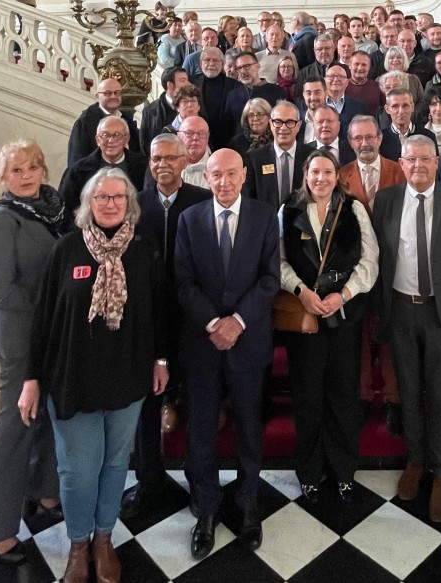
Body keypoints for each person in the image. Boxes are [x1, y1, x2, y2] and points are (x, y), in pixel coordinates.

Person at [20, 167, 168, 581]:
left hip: (128, 376)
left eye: (118, 197)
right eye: (101, 197)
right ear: (88, 203)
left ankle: (104, 539)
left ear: (129, 203)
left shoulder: (142, 249)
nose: (110, 204)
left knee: (116, 463)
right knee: (78, 470)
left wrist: (160, 360)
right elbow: (43, 318)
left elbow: (158, 311)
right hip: (73, 379)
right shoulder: (66, 249)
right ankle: (78, 543)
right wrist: (31, 379)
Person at [174, 149, 281, 559]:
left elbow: (270, 279)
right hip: (202, 344)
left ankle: (248, 503)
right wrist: (213, 324)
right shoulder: (190, 219)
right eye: (216, 174)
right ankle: (206, 508)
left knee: (249, 428)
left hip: (248, 340)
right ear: (206, 177)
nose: (224, 182)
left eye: (231, 174)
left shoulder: (264, 216)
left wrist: (237, 321)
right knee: (201, 430)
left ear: (244, 176)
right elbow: (183, 282)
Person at [371, 135, 441, 522]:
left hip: (440, 315)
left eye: (425, 159)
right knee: (409, 392)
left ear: (437, 162)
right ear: (402, 163)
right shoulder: (385, 201)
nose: (418, 165)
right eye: (411, 159)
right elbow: (377, 260)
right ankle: (416, 460)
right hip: (400, 311)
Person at [0, 140, 66, 566]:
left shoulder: (53, 210)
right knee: (15, 426)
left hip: (52, 334)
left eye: (33, 167)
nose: (27, 176)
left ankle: (44, 492)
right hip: (21, 337)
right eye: (16, 170)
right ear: (2, 177)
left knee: (48, 417)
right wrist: (49, 314)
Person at [280, 149, 379, 502]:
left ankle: (343, 469)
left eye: (327, 172)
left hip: (343, 317)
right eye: (315, 172)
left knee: (342, 394)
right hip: (305, 317)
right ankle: (309, 471)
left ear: (337, 176)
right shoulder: (289, 211)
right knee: (307, 396)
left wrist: (345, 294)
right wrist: (301, 291)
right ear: (305, 176)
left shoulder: (353, 210)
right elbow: (278, 260)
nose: (320, 178)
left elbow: (370, 261)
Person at [121, 134, 212, 520]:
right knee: (147, 404)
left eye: (170, 158)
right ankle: (149, 482)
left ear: (184, 161)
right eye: (156, 158)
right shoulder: (134, 204)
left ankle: (200, 483)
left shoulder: (202, 201)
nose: (162, 165)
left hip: (192, 318)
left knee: (198, 400)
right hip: (146, 319)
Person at [340, 116, 405, 433]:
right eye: (358, 138)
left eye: (370, 137)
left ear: (380, 138)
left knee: (391, 334)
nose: (364, 143)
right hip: (356, 270)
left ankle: (394, 399)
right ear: (350, 142)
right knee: (361, 336)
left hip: (395, 266)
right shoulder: (341, 176)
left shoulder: (399, 170)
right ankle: (363, 396)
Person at [58, 117, 147, 220]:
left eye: (117, 135)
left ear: (126, 139)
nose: (111, 140)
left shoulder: (143, 167)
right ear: (98, 140)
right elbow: (65, 211)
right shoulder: (77, 171)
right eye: (105, 135)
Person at [244, 101, 316, 208]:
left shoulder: (312, 156)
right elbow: (250, 199)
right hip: (266, 217)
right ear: (270, 124)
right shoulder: (254, 158)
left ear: (299, 126)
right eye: (278, 122)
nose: (283, 128)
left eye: (290, 122)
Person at [67, 78, 141, 166]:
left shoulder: (127, 119)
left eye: (117, 92)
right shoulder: (84, 123)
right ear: (97, 96)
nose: (113, 96)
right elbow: (76, 162)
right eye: (107, 93)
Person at [192, 47, 242, 151]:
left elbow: (239, 121)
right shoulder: (191, 84)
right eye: (207, 60)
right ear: (201, 63)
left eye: (215, 60)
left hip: (228, 144)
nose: (211, 63)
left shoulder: (236, 87)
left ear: (222, 64)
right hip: (197, 142)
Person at [140, 67, 190, 157]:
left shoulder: (195, 106)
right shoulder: (150, 111)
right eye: (183, 80)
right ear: (170, 85)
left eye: (187, 80)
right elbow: (145, 145)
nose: (188, 84)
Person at [379, 87, 438, 161]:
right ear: (387, 109)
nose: (401, 111)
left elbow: (434, 164)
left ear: (412, 107)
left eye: (405, 106)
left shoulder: (428, 136)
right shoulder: (380, 138)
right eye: (395, 106)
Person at [346, 50, 385, 116]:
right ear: (349, 65)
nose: (360, 68)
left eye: (364, 65)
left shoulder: (377, 87)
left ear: (369, 67)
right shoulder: (342, 86)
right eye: (356, 64)